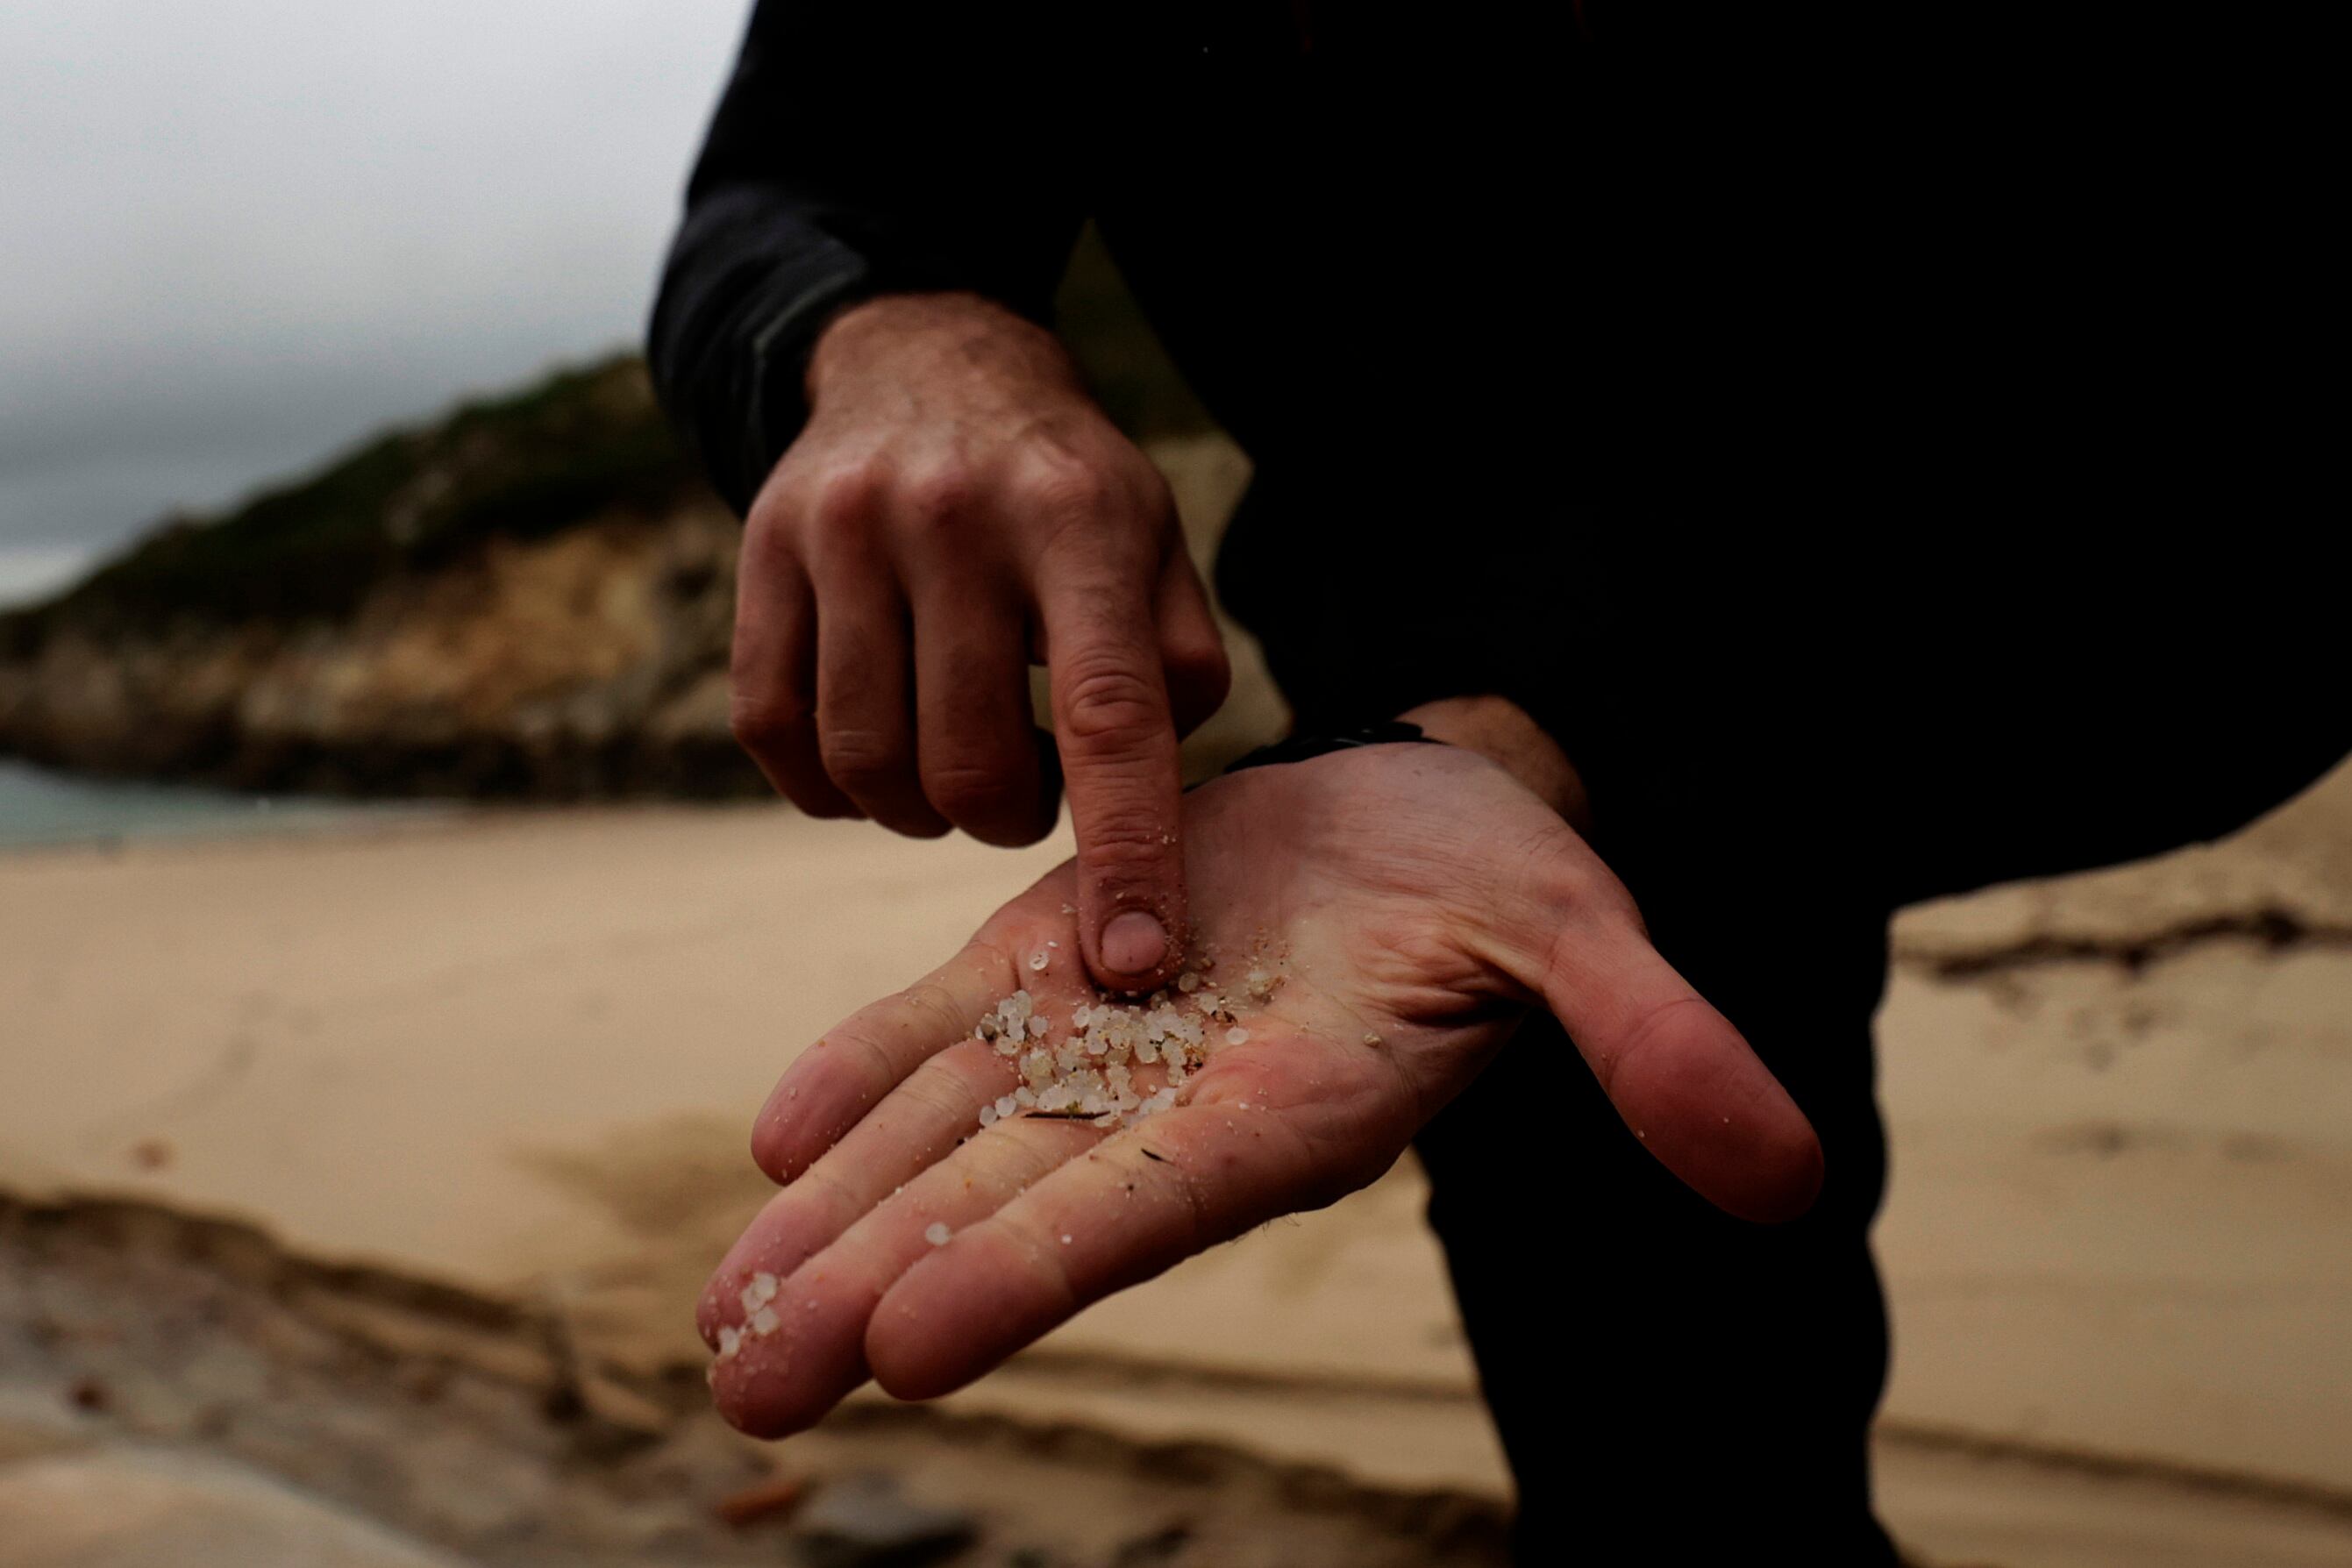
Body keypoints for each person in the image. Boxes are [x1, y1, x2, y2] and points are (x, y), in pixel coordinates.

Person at [649, 4, 2339, 1558]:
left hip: (2004, 600)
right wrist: (874, 333)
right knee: (1674, 1497)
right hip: (1416, 816)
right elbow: (798, 178)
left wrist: (1575, 713)